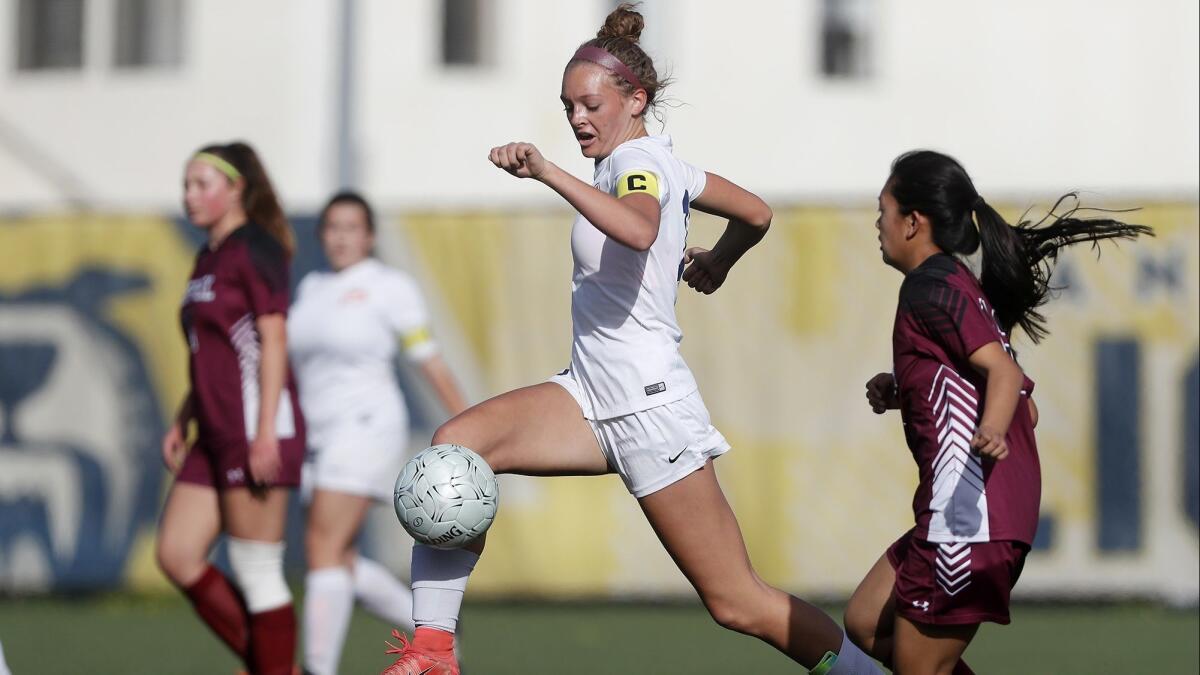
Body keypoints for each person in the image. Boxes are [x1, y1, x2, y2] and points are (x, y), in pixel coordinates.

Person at [380, 5, 881, 675]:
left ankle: (865, 673)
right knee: (456, 446)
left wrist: (548, 172)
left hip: (647, 406)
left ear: (635, 98)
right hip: (589, 393)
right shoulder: (652, 162)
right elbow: (755, 213)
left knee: (738, 601)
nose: (578, 118)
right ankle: (435, 652)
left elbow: (640, 228)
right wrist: (720, 259)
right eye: (568, 107)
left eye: (590, 104)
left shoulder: (637, 164)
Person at [843, 150, 1150, 675]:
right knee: (866, 622)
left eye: (884, 210)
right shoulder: (958, 284)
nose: (878, 223)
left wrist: (987, 430)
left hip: (968, 517)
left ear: (914, 221)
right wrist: (905, 389)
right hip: (982, 515)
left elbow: (1004, 380)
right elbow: (1015, 407)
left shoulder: (931, 286)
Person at [288, 191, 469, 675]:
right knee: (338, 559)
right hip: (318, 439)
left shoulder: (388, 287)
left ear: (369, 236)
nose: (340, 237)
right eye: (332, 227)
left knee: (321, 551)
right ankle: (439, 634)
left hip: (365, 428)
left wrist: (469, 425)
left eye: (351, 227)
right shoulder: (310, 287)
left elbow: (426, 358)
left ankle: (316, 669)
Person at [156, 141, 306, 675]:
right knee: (175, 554)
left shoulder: (256, 248)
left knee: (257, 569)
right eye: (186, 185)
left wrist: (265, 433)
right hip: (212, 431)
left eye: (202, 184)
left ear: (237, 189)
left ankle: (274, 668)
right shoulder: (207, 256)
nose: (189, 196)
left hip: (255, 428)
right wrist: (184, 416)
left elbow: (272, 340)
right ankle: (275, 665)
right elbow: (214, 349)